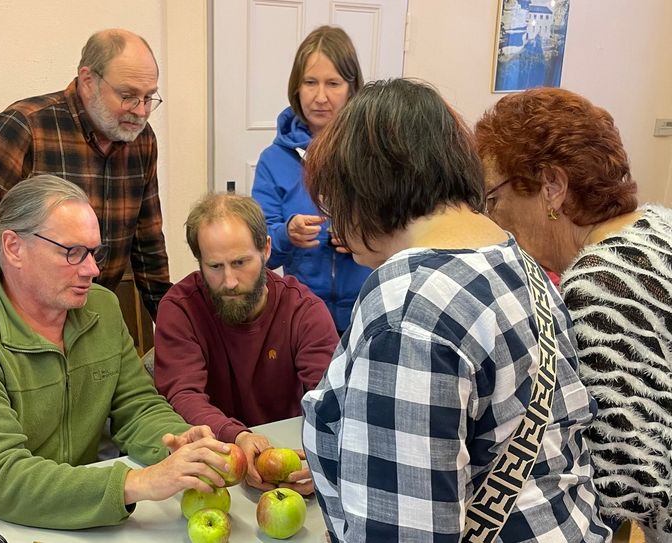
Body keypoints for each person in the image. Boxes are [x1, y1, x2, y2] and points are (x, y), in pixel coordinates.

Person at [300, 79, 611, 542]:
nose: (334, 222)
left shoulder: (405, 309)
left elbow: (404, 533)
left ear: (361, 189)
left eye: (333, 203)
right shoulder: (512, 256)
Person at [0, 175, 233, 530]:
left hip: (62, 508)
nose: (92, 269)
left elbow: (137, 408)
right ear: (13, 247)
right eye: (72, 252)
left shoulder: (103, 309)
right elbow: (3, 479)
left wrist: (176, 444)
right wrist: (138, 483)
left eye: (94, 252)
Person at [475, 87, 672, 541]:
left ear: (552, 186)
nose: (493, 220)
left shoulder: (601, 286)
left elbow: (629, 488)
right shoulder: (654, 227)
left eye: (493, 198)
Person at [0, 29, 170, 319]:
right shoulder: (25, 127)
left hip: (94, 313)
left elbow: (147, 239)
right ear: (88, 81)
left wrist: (170, 321)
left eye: (149, 97)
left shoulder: (141, 139)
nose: (141, 111)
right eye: (128, 96)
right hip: (25, 316)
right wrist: (4, 312)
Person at [153, 193, 338, 495]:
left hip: (291, 456)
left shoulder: (304, 311)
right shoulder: (179, 308)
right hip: (213, 465)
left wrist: (323, 462)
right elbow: (183, 394)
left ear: (265, 248)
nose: (229, 281)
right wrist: (237, 436)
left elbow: (330, 401)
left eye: (240, 262)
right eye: (214, 266)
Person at [251, 25, 371, 333]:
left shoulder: (375, 153)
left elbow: (404, 233)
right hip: (301, 317)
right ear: (296, 88)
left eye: (333, 83)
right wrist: (286, 235)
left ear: (352, 87)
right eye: (310, 82)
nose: (320, 97)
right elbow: (259, 253)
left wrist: (363, 237)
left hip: (368, 313)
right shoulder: (273, 160)